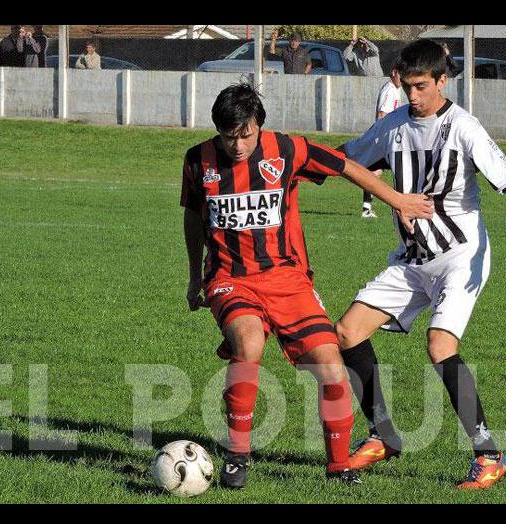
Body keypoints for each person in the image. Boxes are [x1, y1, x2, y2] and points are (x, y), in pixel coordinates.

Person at [182, 83, 433, 490]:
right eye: (230, 136)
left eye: (246, 134)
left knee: (332, 368)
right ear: (218, 131)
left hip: (288, 279)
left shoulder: (287, 149)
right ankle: (237, 455)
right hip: (231, 278)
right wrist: (196, 274)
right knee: (248, 345)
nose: (239, 144)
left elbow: (346, 167)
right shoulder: (198, 160)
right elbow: (193, 217)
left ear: (258, 125)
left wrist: (397, 199)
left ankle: (338, 465)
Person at [333, 39, 506, 489]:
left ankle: (488, 454)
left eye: (420, 87)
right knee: (347, 332)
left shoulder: (464, 127)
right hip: (413, 259)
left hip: (460, 257)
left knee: (439, 346)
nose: (412, 96)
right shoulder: (393, 125)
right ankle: (383, 435)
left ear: (441, 81)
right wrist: (293, 160)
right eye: (405, 86)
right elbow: (348, 158)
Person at [361, 66, 402, 219]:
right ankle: (401, 205)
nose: (402, 78)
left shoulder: (396, 89)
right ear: (393, 72)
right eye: (400, 74)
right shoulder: (389, 89)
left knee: (374, 174)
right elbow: (382, 115)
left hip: (388, 138)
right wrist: (384, 138)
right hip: (385, 139)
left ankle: (366, 209)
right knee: (399, 169)